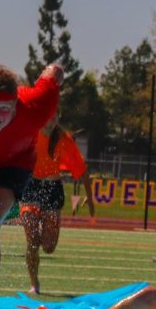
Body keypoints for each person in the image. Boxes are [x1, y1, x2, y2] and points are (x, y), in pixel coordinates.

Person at [0, 62, 63, 283]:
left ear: (15, 105)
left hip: (15, 164)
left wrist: (50, 72)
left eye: (3, 110)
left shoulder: (36, 106)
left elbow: (55, 72)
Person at [22, 113, 95, 295]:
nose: (50, 119)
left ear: (58, 117)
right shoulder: (30, 132)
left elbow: (82, 170)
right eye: (47, 115)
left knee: (48, 246)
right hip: (31, 187)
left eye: (54, 116)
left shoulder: (64, 139)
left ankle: (40, 241)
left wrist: (90, 197)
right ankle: (34, 284)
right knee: (32, 241)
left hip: (53, 189)